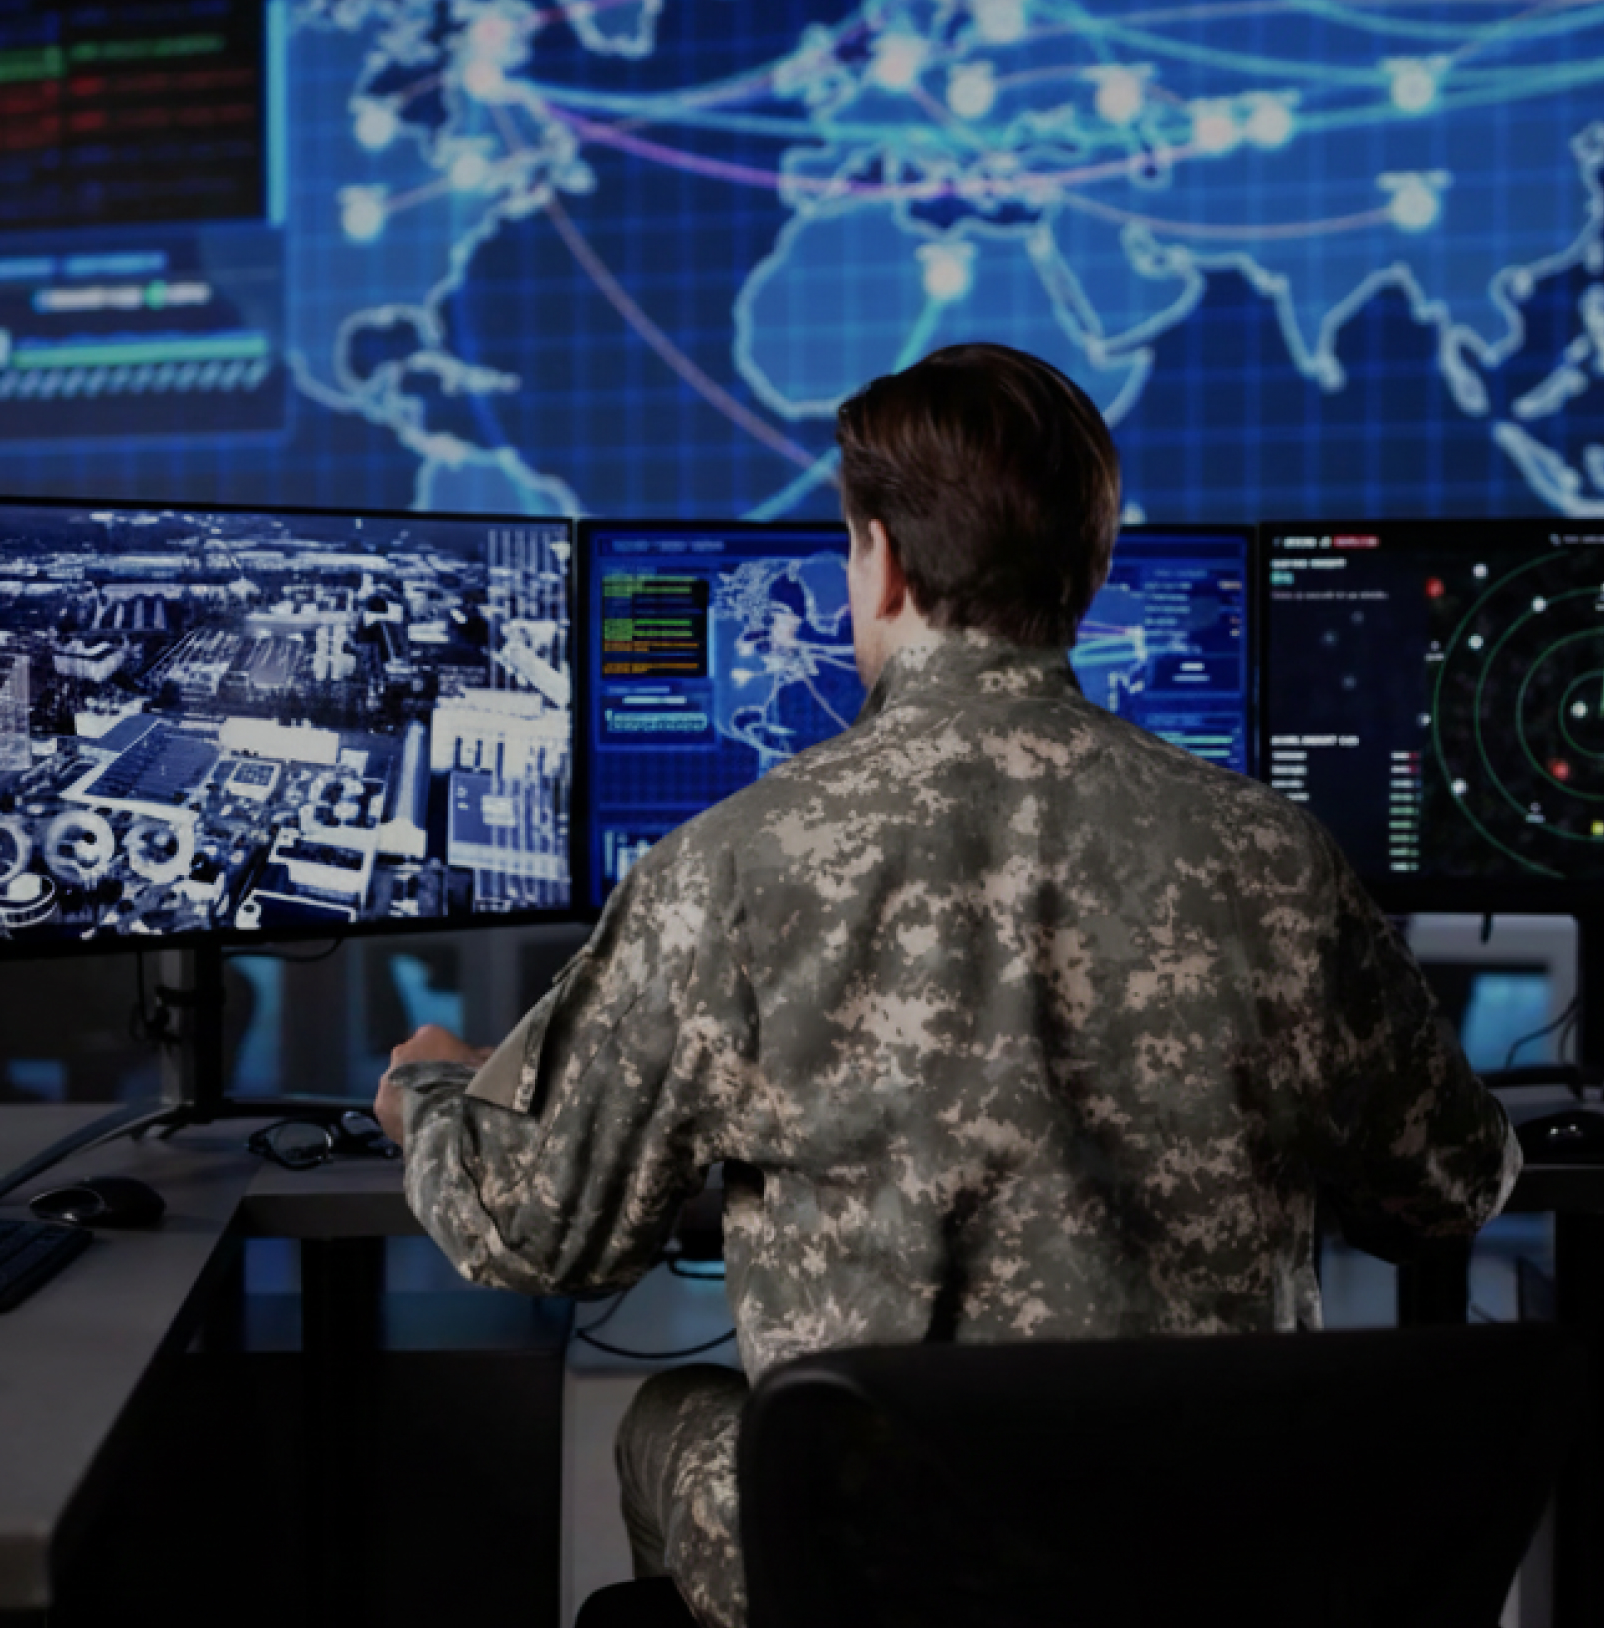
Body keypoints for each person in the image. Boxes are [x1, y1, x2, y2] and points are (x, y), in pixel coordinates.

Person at [373, 342, 1516, 1627]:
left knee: (669, 1421)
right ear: (1086, 568)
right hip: (1208, 1564)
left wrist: (428, 1092)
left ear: (884, 563)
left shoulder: (734, 870)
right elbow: (1452, 1183)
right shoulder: (1276, 857)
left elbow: (539, 1226)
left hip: (891, 1573)